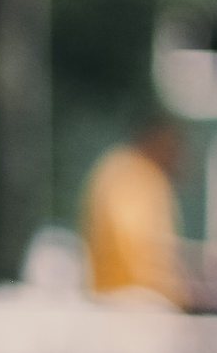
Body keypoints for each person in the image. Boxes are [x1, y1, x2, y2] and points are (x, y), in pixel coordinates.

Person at [80, 119, 189, 304]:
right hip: (132, 299)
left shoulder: (118, 167)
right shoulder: (137, 175)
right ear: (159, 138)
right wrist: (176, 288)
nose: (180, 156)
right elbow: (137, 246)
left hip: (113, 297)